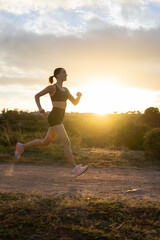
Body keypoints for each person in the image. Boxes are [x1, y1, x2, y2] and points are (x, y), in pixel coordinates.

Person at [15, 68, 88, 177]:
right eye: (64, 72)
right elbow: (37, 96)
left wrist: (79, 96)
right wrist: (40, 108)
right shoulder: (52, 88)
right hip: (54, 118)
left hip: (59, 118)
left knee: (45, 142)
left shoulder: (66, 90)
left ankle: (21, 147)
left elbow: (75, 103)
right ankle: (75, 168)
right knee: (67, 142)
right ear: (58, 75)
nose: (66, 74)